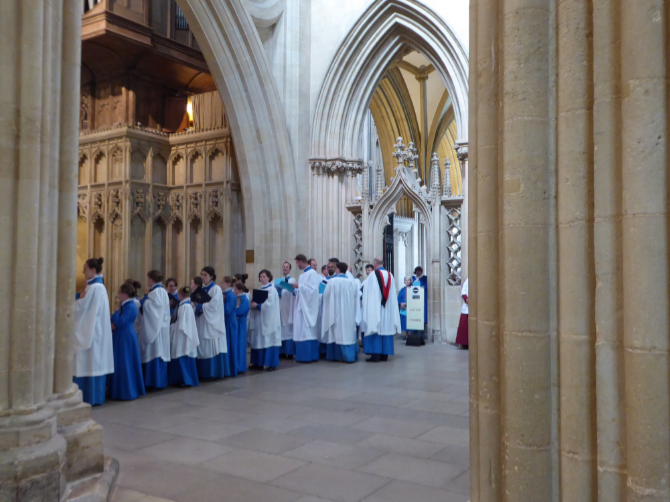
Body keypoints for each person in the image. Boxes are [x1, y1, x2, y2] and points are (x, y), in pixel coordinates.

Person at [73, 257, 114, 406]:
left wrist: (75, 298)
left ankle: (88, 397)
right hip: (96, 331)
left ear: (93, 270)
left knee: (88, 362)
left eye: (85, 269)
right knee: (94, 362)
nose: (83, 272)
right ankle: (94, 396)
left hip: (92, 332)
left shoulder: (94, 288)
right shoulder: (98, 287)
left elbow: (81, 308)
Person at [108, 282, 145, 400]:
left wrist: (114, 312)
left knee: (125, 363)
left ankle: (127, 391)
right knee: (121, 363)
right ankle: (117, 390)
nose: (118, 295)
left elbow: (120, 322)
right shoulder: (125, 305)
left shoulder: (130, 306)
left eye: (119, 292)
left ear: (124, 294)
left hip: (125, 337)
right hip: (121, 335)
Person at [361, 257, 401, 362]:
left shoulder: (372, 276)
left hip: (376, 308)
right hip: (387, 309)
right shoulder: (390, 275)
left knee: (376, 327)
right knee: (386, 328)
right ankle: (385, 355)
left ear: (374, 263)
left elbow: (368, 294)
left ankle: (376, 355)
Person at [321, 262, 361, 363]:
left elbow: (325, 296)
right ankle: (349, 356)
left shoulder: (333, 281)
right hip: (348, 313)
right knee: (347, 333)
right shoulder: (352, 282)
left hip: (336, 313)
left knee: (336, 333)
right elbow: (356, 298)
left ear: (337, 269)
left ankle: (336, 355)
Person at [194, 267, 229, 379]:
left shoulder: (216, 289)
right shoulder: (201, 289)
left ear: (211, 277)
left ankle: (213, 373)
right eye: (202, 274)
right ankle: (202, 373)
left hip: (211, 322)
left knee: (210, 345)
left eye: (205, 275)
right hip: (202, 320)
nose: (203, 277)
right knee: (202, 345)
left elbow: (215, 306)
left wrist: (201, 306)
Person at [140, 270, 171, 388]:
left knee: (155, 351)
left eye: (148, 279)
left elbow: (154, 309)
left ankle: (154, 382)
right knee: (158, 352)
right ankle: (158, 382)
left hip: (156, 328)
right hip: (160, 326)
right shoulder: (161, 291)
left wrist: (144, 301)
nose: (147, 281)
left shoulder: (157, 291)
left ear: (151, 280)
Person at [249, 269, 282, 371]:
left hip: (269, 320)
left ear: (269, 278)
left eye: (264, 276)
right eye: (261, 277)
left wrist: (258, 305)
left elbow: (270, 305)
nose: (262, 278)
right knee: (258, 340)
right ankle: (258, 362)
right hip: (260, 318)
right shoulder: (260, 289)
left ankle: (271, 363)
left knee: (268, 340)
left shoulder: (272, 290)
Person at [168, 286, 200, 386]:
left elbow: (182, 325)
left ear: (180, 295)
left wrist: (172, 325)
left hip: (183, 336)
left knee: (183, 356)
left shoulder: (184, 307)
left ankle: (186, 380)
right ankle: (180, 380)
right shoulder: (186, 306)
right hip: (183, 335)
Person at [292, 254, 321, 362]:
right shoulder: (302, 275)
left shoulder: (312, 273)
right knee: (301, 331)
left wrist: (299, 286)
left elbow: (313, 291)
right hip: (301, 305)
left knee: (307, 331)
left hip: (307, 308)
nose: (297, 265)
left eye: (297, 263)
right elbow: (302, 290)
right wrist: (294, 289)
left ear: (301, 261)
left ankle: (308, 356)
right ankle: (302, 356)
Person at [277, 262, 297, 358]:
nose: (285, 268)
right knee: (281, 330)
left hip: (288, 307)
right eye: (284, 267)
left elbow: (292, 292)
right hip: (280, 306)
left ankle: (289, 353)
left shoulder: (292, 280)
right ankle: (281, 352)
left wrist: (284, 287)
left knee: (288, 330)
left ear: (290, 269)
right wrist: (277, 288)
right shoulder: (277, 281)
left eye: (287, 267)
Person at [221, 276, 239, 377]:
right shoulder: (226, 294)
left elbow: (227, 310)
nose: (220, 285)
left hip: (230, 324)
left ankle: (231, 370)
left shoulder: (230, 295)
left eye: (222, 282)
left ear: (228, 284)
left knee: (230, 346)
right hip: (226, 323)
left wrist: (221, 302)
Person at [234, 282, 250, 372]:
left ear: (240, 290)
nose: (233, 291)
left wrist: (234, 312)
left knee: (240, 345)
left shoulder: (244, 299)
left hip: (241, 323)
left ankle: (240, 367)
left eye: (235, 289)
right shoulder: (237, 298)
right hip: (237, 322)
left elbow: (239, 311)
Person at [412, 266, 428, 332]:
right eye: (417, 271)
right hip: (415, 298)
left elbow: (426, 286)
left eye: (419, 271)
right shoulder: (413, 278)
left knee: (423, 312)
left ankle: (423, 329)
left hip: (423, 297)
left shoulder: (424, 278)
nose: (418, 272)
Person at [455, 278, 469, 349]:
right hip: (467, 307)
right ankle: (464, 343)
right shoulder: (468, 280)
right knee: (464, 327)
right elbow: (463, 291)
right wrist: (466, 298)